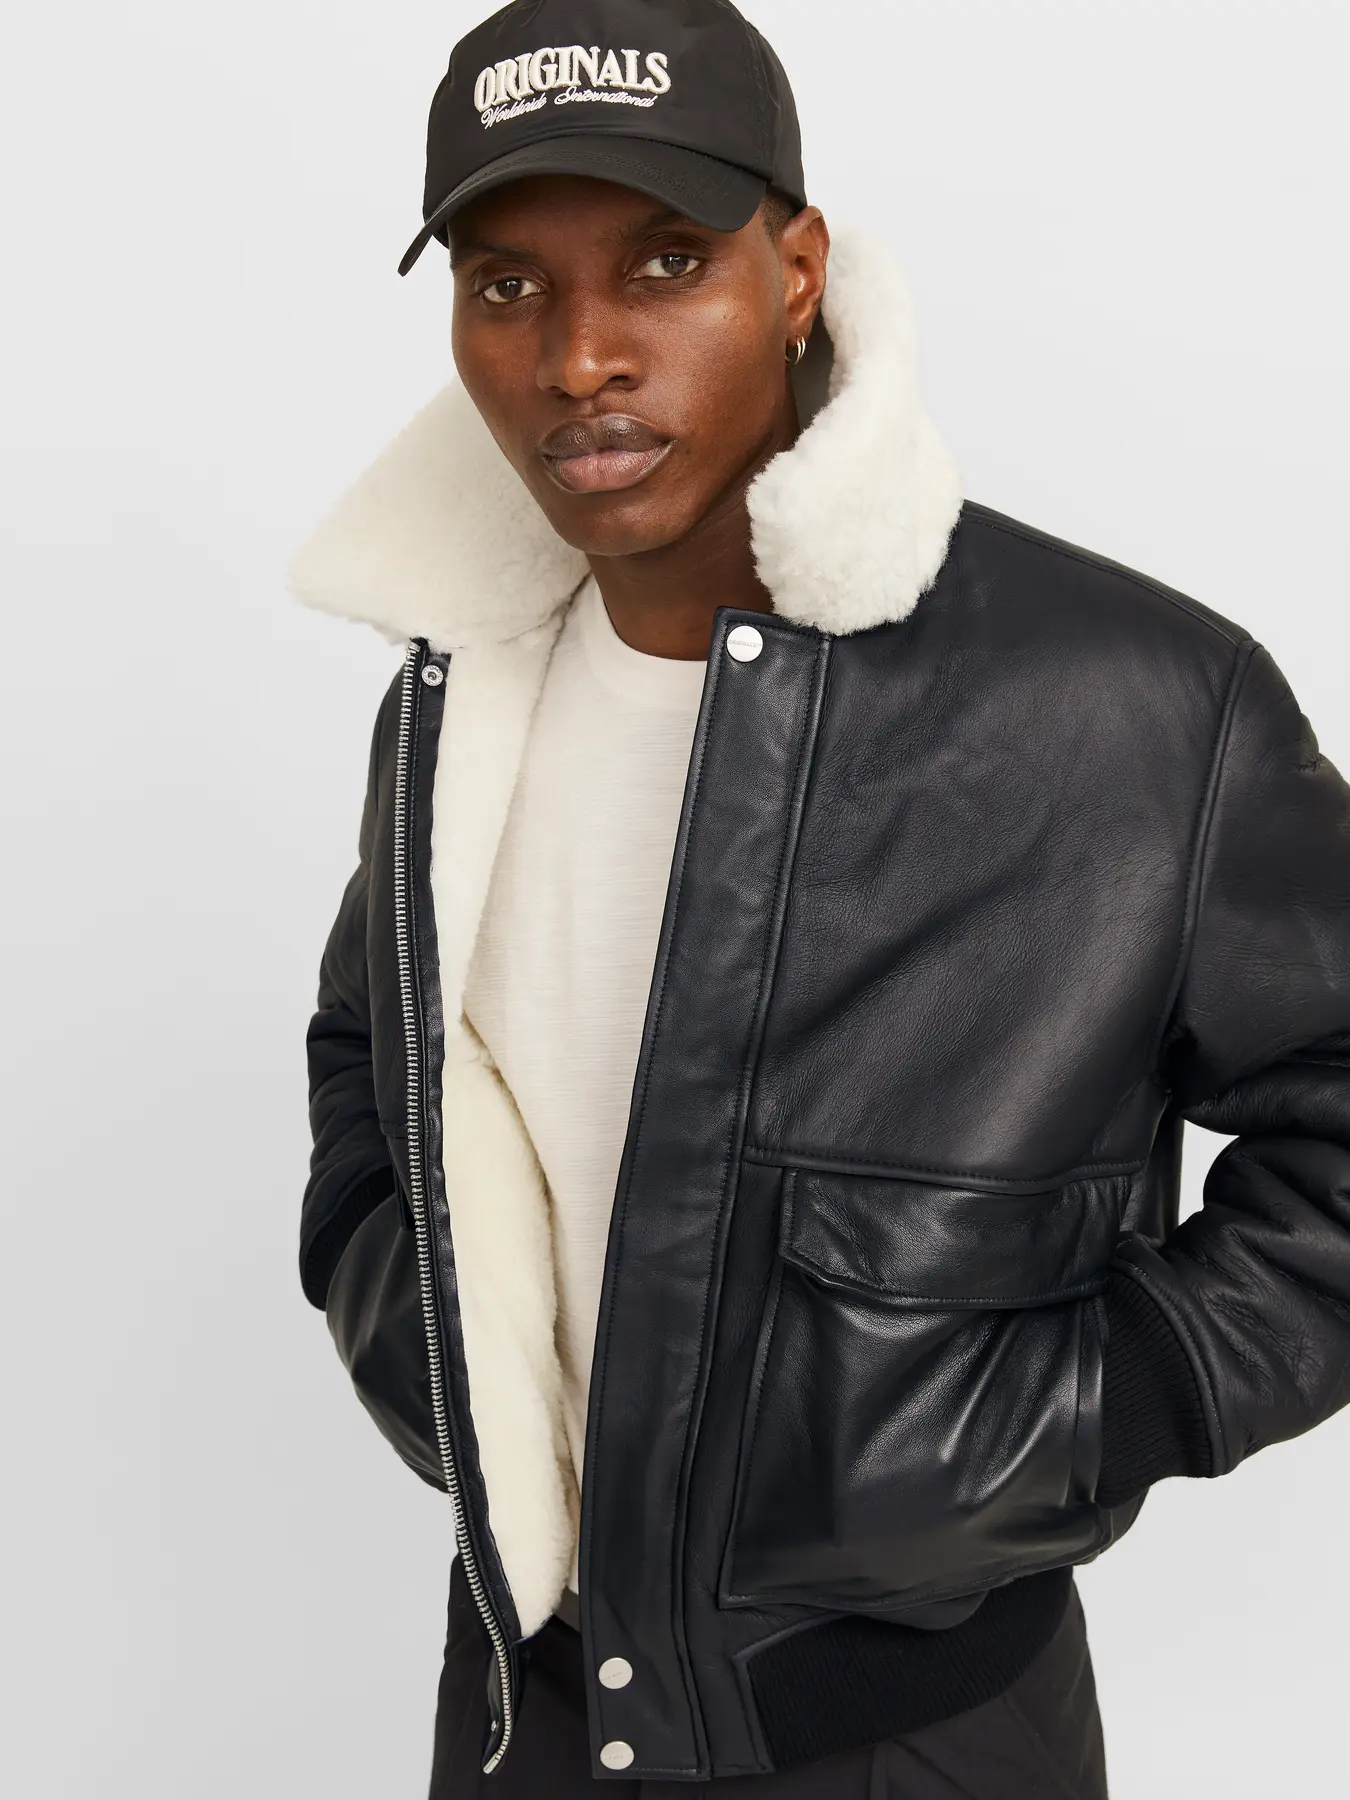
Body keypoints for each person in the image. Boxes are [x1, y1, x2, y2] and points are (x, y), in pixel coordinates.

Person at [287, 2, 1350, 1794]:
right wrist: (397, 1307)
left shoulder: (1133, 705)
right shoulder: (457, 695)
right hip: (521, 1714)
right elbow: (362, 1051)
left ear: (795, 276)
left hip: (925, 1740)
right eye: (506, 286)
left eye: (665, 263)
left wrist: (1111, 1402)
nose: (579, 356)